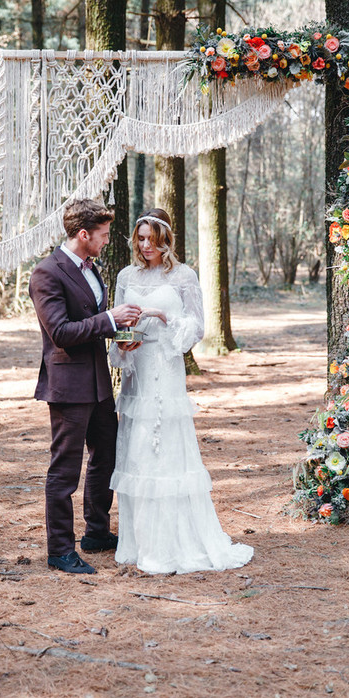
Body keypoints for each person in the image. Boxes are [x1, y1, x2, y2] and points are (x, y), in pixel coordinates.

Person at [109, 208, 253, 574]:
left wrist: (162, 316)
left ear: (165, 241)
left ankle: (174, 543)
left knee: (166, 448)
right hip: (137, 368)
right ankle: (139, 542)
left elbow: (197, 328)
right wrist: (123, 345)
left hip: (167, 368)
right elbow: (118, 322)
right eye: (140, 239)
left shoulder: (184, 275)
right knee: (138, 450)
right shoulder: (126, 275)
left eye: (151, 240)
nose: (145, 246)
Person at [29, 199, 141, 574]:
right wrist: (109, 318)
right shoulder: (46, 273)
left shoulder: (92, 269)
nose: (107, 241)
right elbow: (60, 333)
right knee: (64, 471)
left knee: (106, 456)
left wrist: (119, 333)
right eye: (104, 235)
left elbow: (92, 323)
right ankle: (60, 550)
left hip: (97, 384)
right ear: (83, 235)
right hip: (67, 386)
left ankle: (96, 532)